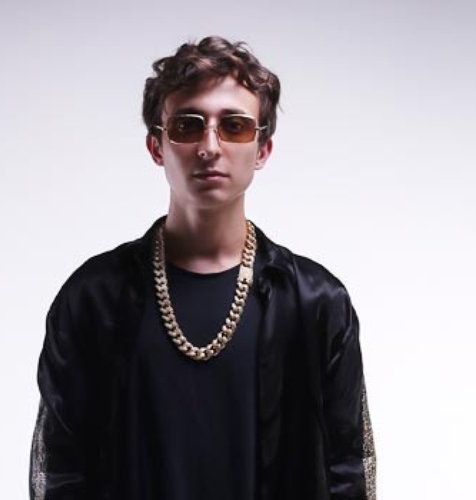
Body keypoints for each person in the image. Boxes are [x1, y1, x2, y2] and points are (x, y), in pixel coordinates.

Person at [30, 36, 376, 500]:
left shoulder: (316, 302)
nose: (210, 146)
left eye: (234, 126)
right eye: (187, 126)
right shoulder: (94, 298)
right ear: (157, 146)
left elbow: (349, 470)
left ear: (263, 149)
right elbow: (61, 470)